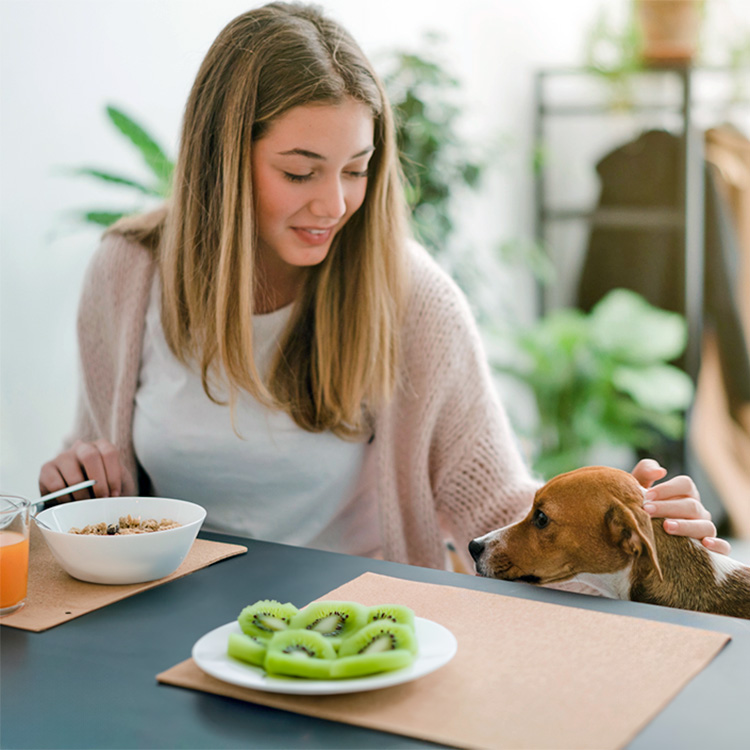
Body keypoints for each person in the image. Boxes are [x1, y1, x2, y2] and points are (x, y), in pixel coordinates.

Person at [38, 2, 729, 572]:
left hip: (357, 633)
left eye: (357, 169)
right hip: (164, 626)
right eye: (301, 171)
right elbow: (100, 489)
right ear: (222, 161)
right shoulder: (127, 273)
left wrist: (631, 548)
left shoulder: (412, 298)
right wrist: (78, 483)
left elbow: (500, 513)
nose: (336, 204)